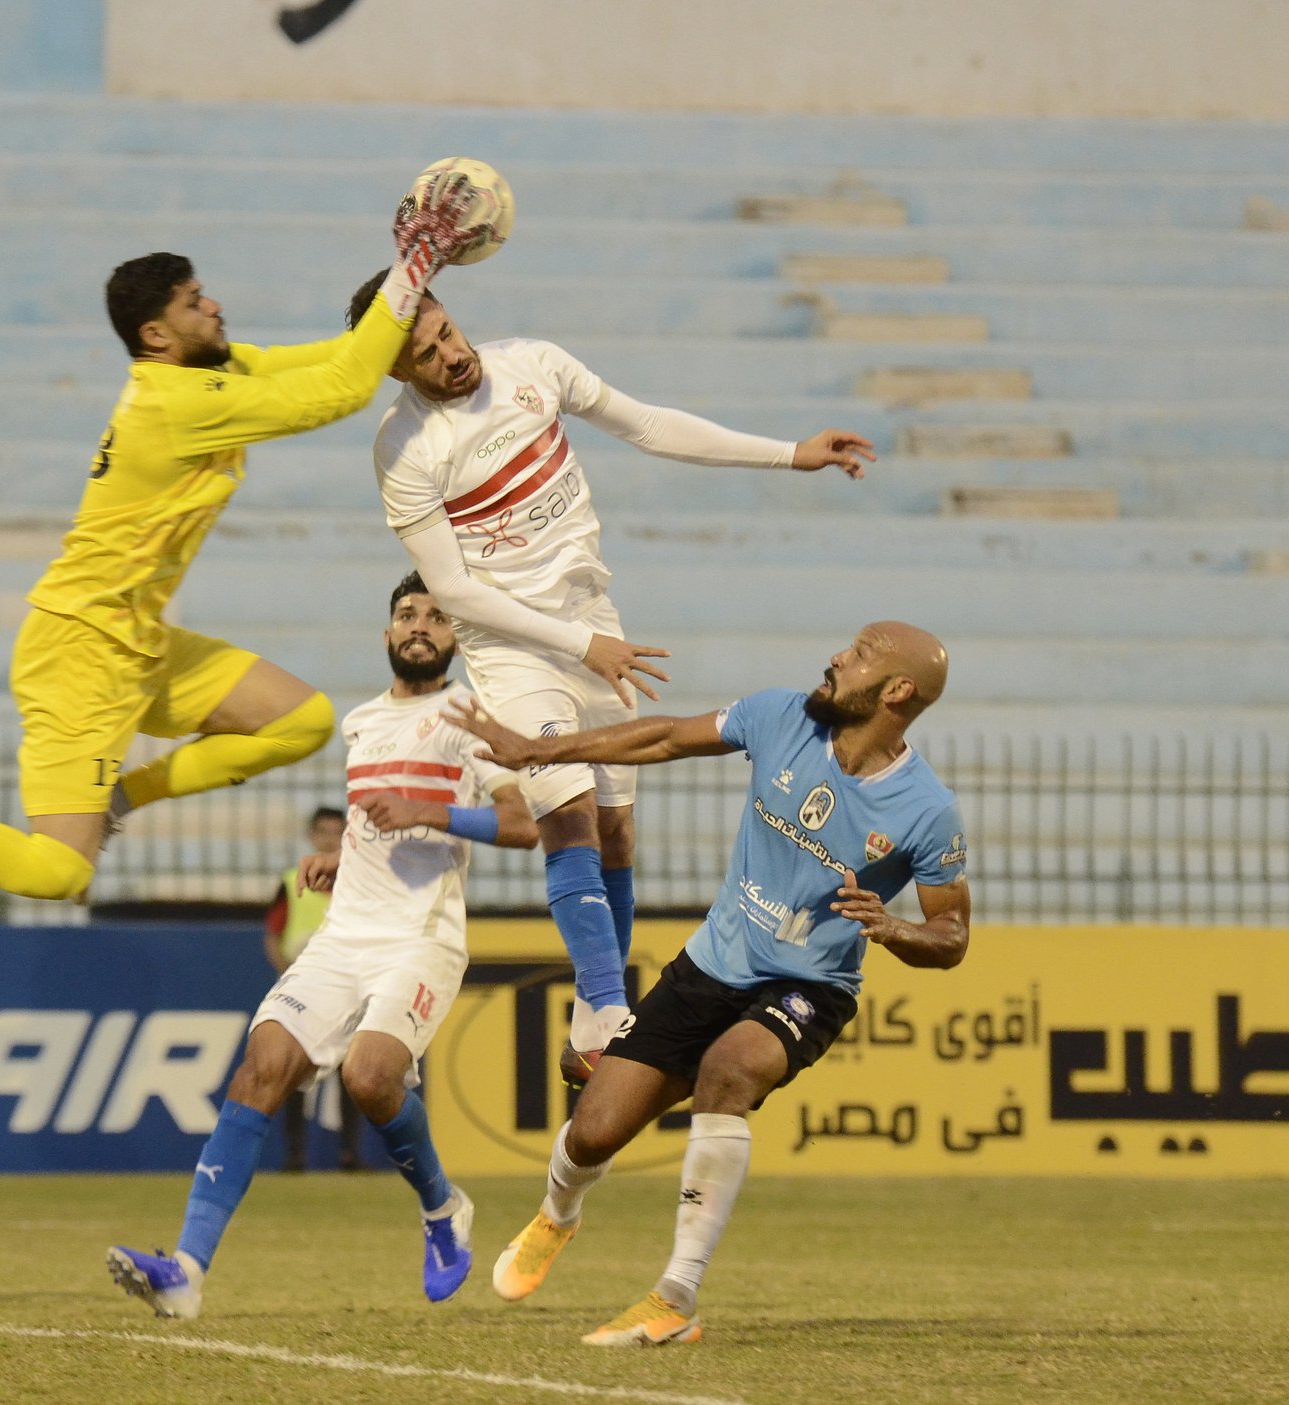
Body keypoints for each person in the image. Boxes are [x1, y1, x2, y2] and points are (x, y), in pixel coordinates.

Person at [0, 178, 491, 911]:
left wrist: (413, 299)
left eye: (204, 292)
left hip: (135, 639)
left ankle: (123, 795)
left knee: (298, 720)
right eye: (193, 302)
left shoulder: (214, 371)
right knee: (58, 873)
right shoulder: (174, 404)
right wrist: (416, 260)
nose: (213, 306)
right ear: (157, 336)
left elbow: (336, 358)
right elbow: (338, 390)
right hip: (78, 653)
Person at [343, 275, 877, 1086]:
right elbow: (452, 591)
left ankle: (592, 1017)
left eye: (449, 332)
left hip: (596, 620)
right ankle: (604, 1008)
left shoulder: (532, 364)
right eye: (427, 352)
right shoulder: (404, 448)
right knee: (571, 817)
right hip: (517, 649)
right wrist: (577, 643)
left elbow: (650, 426)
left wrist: (792, 453)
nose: (452, 354)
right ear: (393, 370)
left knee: (621, 833)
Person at [447, 622, 970, 1346]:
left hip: (811, 985)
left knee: (730, 1070)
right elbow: (662, 737)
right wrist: (539, 749)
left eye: (859, 655)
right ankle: (558, 1213)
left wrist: (897, 928)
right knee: (591, 1134)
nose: (836, 656)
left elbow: (952, 936)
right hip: (713, 964)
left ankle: (674, 1295)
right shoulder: (780, 715)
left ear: (897, 690)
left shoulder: (926, 809)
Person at [106, 572, 539, 1318]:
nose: (419, 626)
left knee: (371, 1078)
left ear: (455, 638)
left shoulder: (474, 715)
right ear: (386, 633)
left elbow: (522, 824)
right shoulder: (361, 722)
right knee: (262, 1065)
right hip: (346, 934)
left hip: (420, 937)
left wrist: (427, 811)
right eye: (407, 614)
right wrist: (347, 857)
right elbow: (378, 820)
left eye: (436, 617)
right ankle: (185, 1271)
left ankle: (443, 1209)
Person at [262, 805, 363, 1171]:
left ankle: (349, 1153)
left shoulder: (357, 884)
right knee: (293, 1077)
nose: (329, 839)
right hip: (301, 995)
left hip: (349, 995)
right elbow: (274, 936)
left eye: (337, 832)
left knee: (351, 1076)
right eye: (323, 831)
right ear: (311, 836)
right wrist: (291, 978)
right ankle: (295, 1155)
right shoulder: (293, 883)